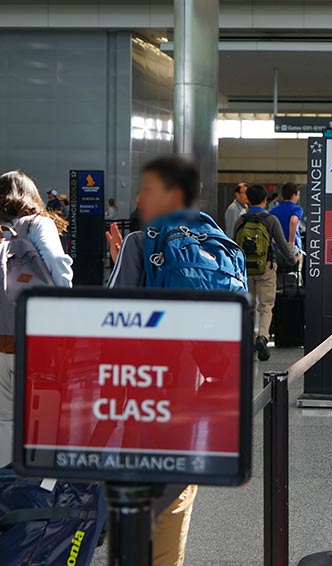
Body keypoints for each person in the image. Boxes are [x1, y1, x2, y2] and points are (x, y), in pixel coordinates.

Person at [106, 155, 246, 566]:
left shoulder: (140, 242)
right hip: (199, 386)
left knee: (136, 484)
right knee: (177, 489)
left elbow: (114, 320)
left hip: (146, 385)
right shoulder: (216, 239)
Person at [0, 171, 73, 468]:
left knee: (5, 418)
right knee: (43, 415)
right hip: (36, 339)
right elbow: (56, 262)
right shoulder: (37, 223)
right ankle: (36, 493)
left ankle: (5, 491)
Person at [235, 185, 295, 360]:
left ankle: (249, 340)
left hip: (246, 269)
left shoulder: (241, 220)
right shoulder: (270, 220)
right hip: (266, 267)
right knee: (266, 305)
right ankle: (262, 336)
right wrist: (291, 259)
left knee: (249, 306)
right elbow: (283, 245)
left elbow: (234, 245)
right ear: (264, 200)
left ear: (248, 199)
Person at [270, 182, 303, 252]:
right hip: (293, 247)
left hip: (277, 246)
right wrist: (291, 242)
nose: (298, 197)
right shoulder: (296, 209)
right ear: (293, 195)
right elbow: (293, 220)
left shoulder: (273, 210)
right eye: (298, 195)